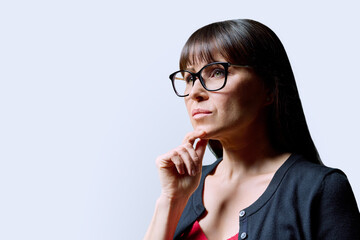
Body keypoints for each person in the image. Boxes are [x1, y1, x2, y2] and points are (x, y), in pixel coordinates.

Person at [144, 19, 360, 240]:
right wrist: (171, 199)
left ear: (269, 88)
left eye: (217, 72)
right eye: (190, 78)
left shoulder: (320, 189)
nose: (194, 92)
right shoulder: (185, 186)